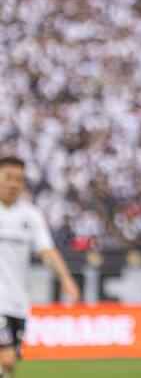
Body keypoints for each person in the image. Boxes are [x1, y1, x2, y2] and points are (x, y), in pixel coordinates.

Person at [0, 157, 80, 378]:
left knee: (10, 364)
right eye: (8, 178)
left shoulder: (31, 215)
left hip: (18, 302)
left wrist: (65, 278)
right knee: (4, 359)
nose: (14, 184)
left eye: (19, 179)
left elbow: (48, 251)